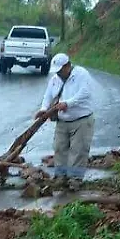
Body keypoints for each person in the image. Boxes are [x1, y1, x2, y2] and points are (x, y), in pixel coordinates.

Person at [36, 53, 94, 188]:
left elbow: (85, 93)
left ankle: (75, 179)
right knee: (59, 148)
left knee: (78, 150)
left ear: (67, 66)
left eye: (61, 70)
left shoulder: (81, 74)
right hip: (62, 121)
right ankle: (60, 177)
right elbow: (48, 95)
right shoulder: (55, 79)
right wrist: (44, 109)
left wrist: (68, 103)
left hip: (81, 119)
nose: (59, 73)